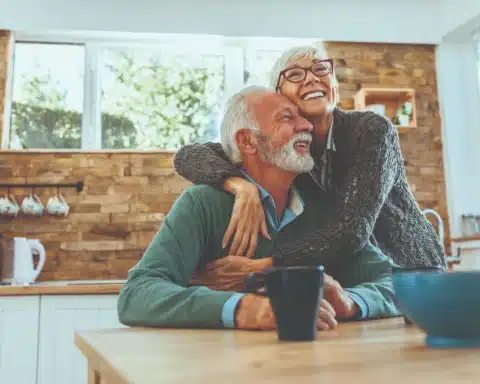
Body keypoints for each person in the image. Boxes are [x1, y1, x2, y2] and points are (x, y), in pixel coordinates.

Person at [117, 86, 400, 330]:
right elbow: (137, 294)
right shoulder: (202, 203)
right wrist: (246, 309)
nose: (307, 126)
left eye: (302, 118)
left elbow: (397, 284)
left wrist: (350, 302)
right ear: (247, 141)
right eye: (287, 118)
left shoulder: (325, 210)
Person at [173, 44, 446, 270]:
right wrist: (240, 185)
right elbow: (189, 155)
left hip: (412, 274)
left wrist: (263, 267)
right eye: (294, 74)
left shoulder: (372, 131)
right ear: (279, 97)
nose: (312, 78)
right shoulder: (282, 149)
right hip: (352, 279)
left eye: (320, 69)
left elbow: (350, 232)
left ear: (335, 88)